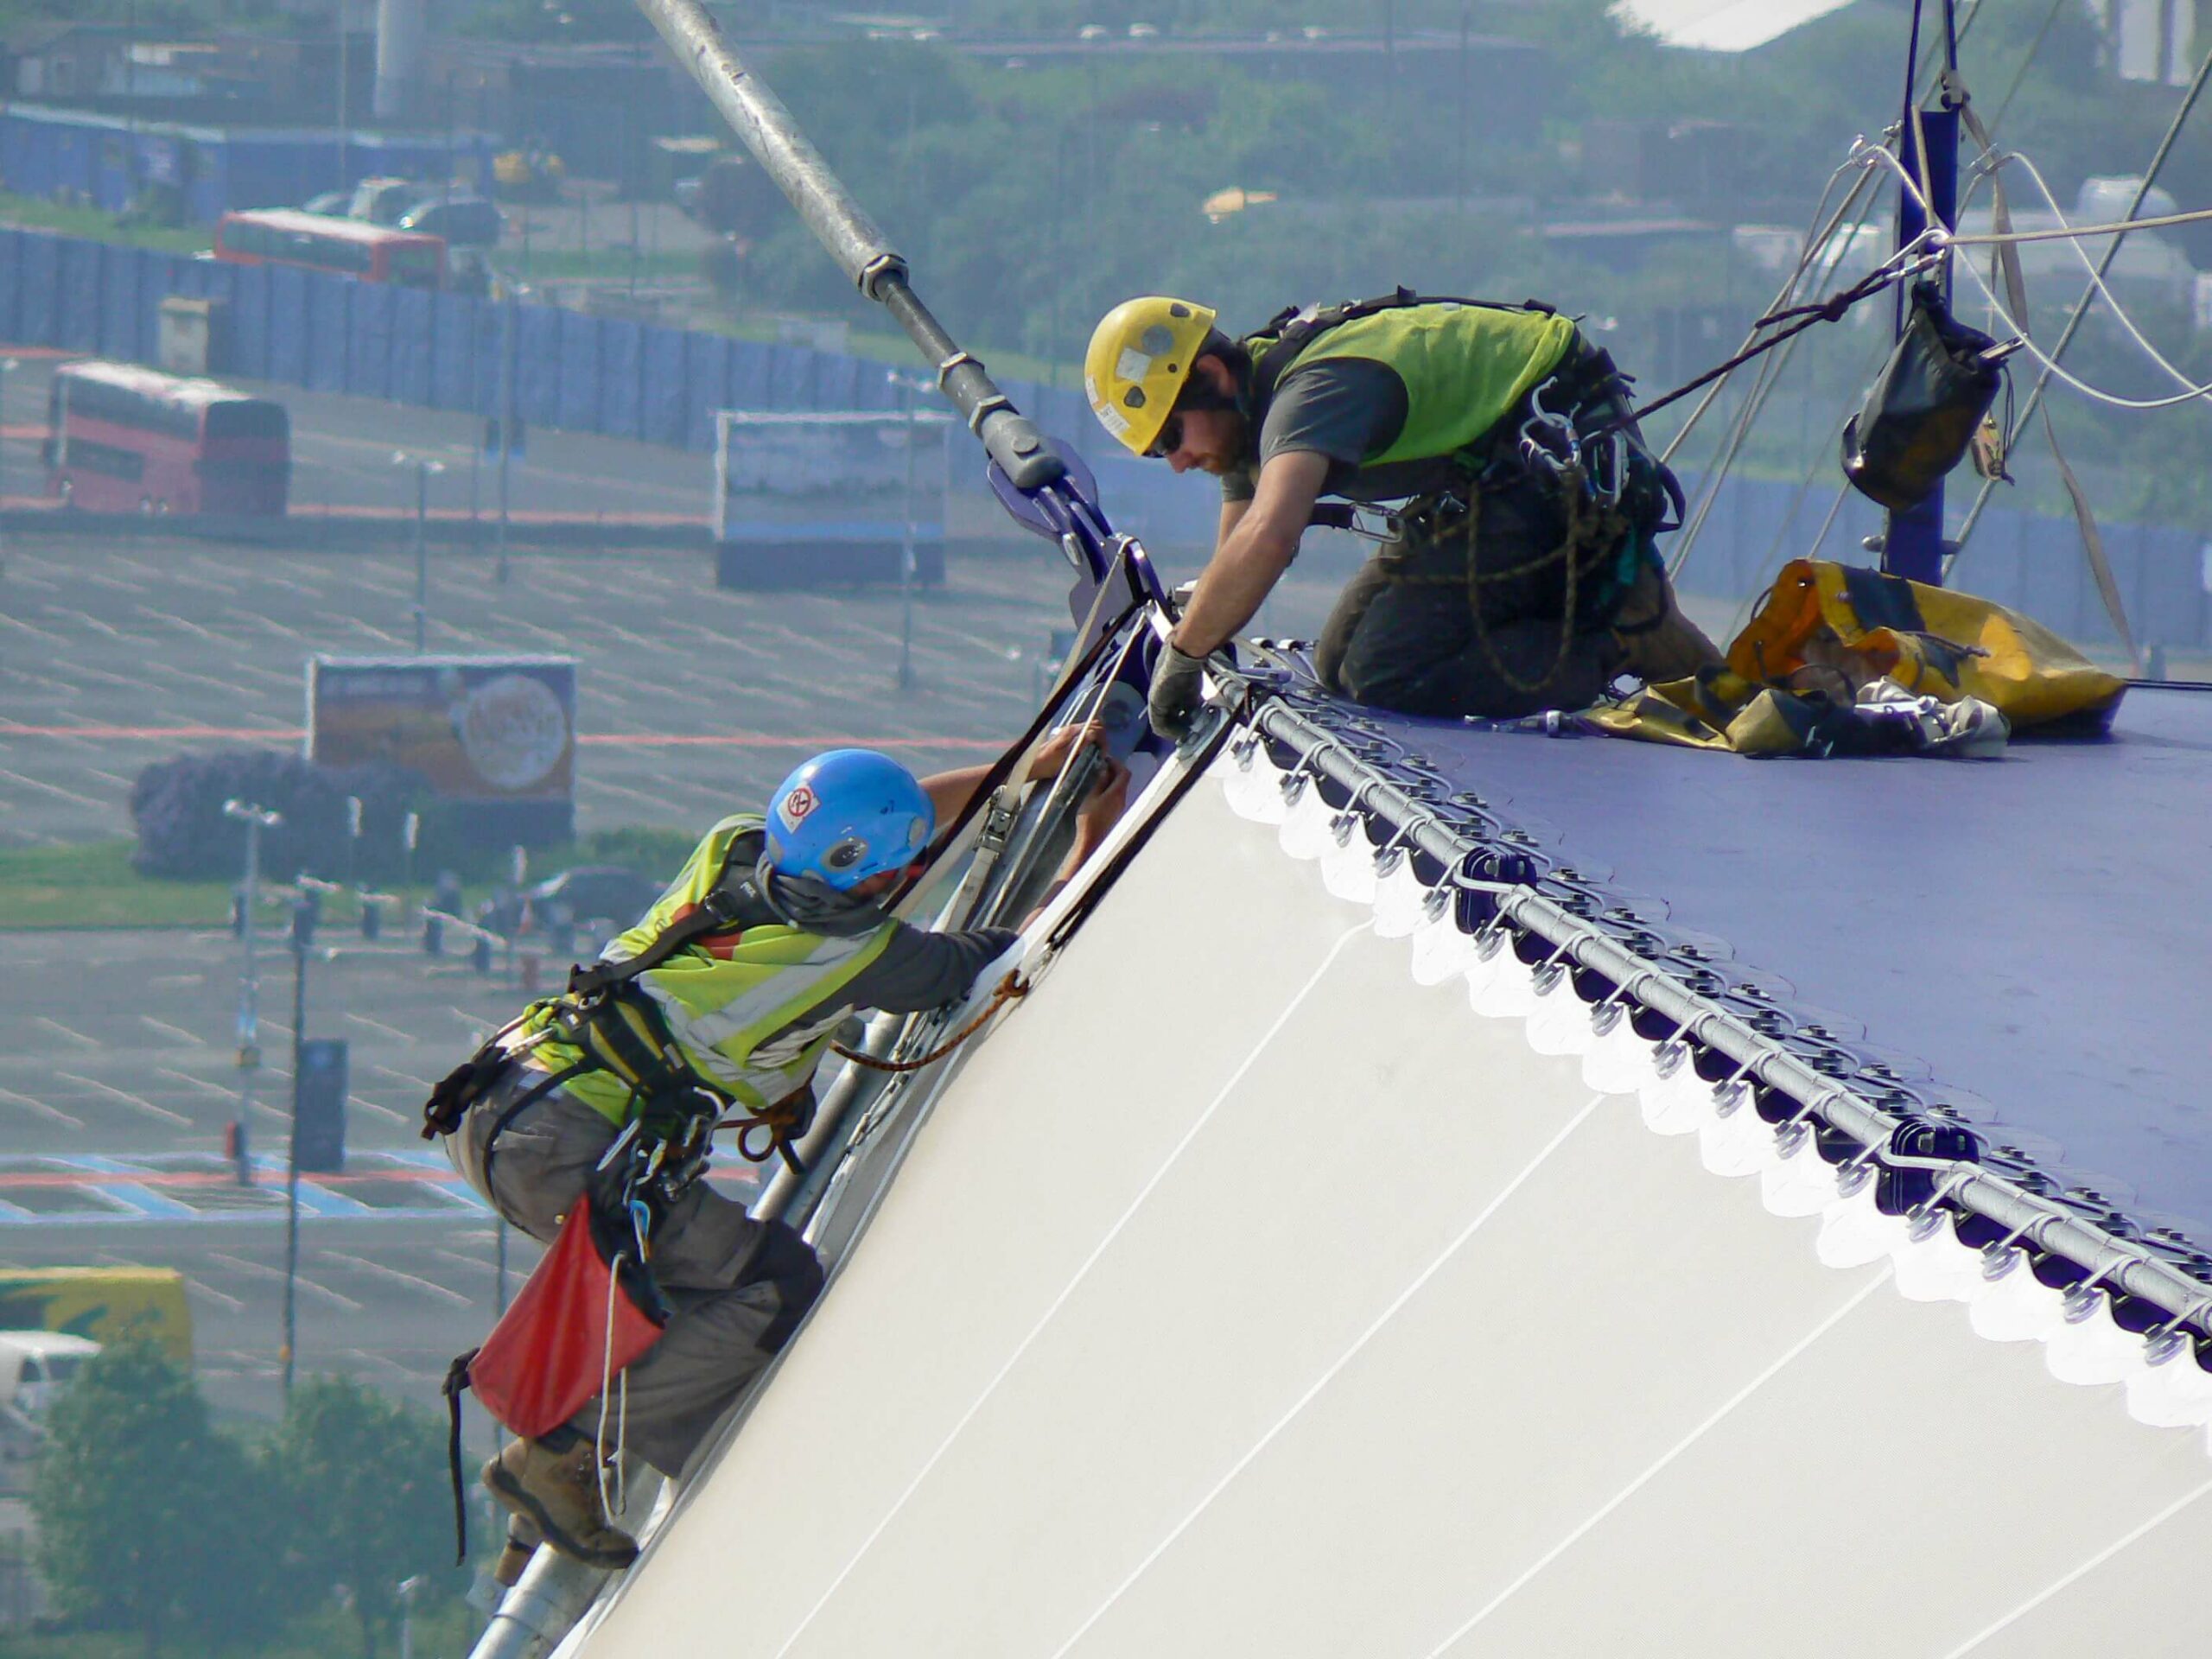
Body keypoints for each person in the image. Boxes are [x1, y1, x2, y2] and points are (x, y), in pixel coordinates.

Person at [436, 731, 1123, 1581]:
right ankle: (562, 1455)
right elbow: (1000, 957)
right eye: (894, 868)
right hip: (568, 1142)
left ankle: (569, 1476)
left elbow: (869, 839)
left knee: (687, 1286)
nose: (902, 881)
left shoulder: (734, 845)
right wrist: (1095, 838)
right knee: (771, 1283)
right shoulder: (858, 952)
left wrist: (1022, 769)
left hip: (506, 1092)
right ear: (870, 872)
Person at [1082, 292, 1724, 735]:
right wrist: (1204, 629)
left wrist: (1186, 655)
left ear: (1214, 375)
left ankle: (1615, 638)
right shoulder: (1252, 403)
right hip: (1497, 479)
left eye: (1171, 437)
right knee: (1338, 664)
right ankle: (1590, 622)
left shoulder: (1310, 393)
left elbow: (1269, 537)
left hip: (1554, 478)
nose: (1176, 461)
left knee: (1383, 674)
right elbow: (1239, 544)